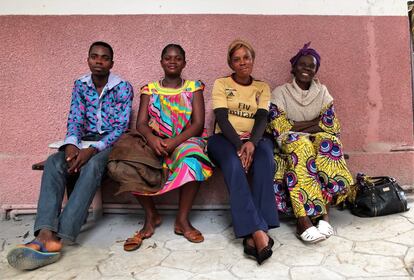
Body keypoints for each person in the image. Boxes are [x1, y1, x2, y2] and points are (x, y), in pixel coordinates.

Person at [7, 41, 133, 270]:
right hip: (83, 140)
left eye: (104, 58)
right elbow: (75, 118)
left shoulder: (123, 87)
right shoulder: (80, 84)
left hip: (109, 144)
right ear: (88, 59)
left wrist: (92, 149)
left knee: (92, 166)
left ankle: (60, 236)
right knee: (56, 161)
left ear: (111, 63)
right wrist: (72, 144)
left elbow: (121, 127)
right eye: (94, 56)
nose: (99, 61)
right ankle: (45, 232)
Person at [122, 44, 213, 251]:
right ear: (161, 61)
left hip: (185, 139)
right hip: (155, 140)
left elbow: (198, 124)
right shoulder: (150, 89)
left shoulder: (193, 87)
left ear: (184, 63)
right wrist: (153, 140)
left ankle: (182, 220)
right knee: (130, 161)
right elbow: (141, 123)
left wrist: (175, 142)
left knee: (193, 158)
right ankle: (151, 215)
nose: (173, 61)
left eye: (178, 58)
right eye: (168, 58)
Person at [267, 42, 353, 243]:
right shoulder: (280, 93)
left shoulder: (323, 92)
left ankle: (323, 216)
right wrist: (314, 124)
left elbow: (331, 125)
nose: (306, 69)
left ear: (316, 71)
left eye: (311, 66)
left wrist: (297, 125)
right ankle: (303, 220)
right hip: (289, 143)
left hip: (314, 140)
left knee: (328, 144)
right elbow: (280, 127)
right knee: (302, 146)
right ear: (293, 68)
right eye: (302, 65)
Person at [207, 39, 279, 265]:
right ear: (230, 62)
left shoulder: (262, 87)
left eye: (246, 58)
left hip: (255, 139)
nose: (242, 63)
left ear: (253, 59)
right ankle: (259, 230)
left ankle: (253, 234)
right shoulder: (221, 83)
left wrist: (252, 144)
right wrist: (240, 145)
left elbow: (261, 118)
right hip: (224, 139)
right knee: (232, 162)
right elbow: (221, 117)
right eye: (236, 59)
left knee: (265, 158)